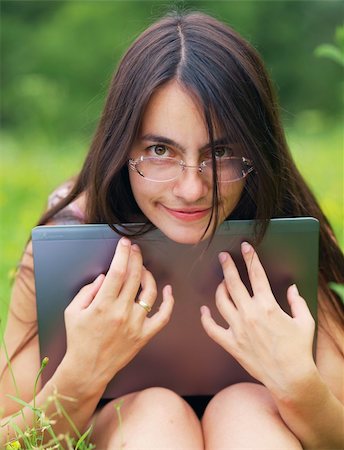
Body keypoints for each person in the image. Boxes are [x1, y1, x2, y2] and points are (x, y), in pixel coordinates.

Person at [1, 11, 343, 449]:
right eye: (160, 150)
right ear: (121, 147)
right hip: (133, 433)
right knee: (154, 412)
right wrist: (81, 374)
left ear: (256, 151)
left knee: (244, 408)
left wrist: (298, 385)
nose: (191, 188)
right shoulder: (69, 236)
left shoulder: (291, 231)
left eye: (220, 152)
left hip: (259, 429)